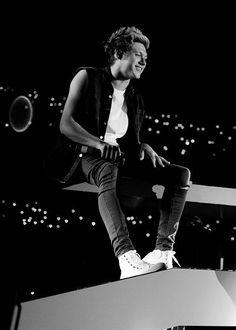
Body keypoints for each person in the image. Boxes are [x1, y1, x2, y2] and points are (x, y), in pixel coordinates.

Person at [48, 26, 191, 279]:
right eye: (138, 54)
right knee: (107, 168)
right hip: (83, 155)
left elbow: (129, 141)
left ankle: (162, 251)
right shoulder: (86, 77)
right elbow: (66, 124)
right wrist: (98, 144)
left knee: (180, 175)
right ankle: (126, 257)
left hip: (117, 158)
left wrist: (143, 146)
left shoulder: (135, 98)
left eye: (146, 57)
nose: (144, 61)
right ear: (118, 52)